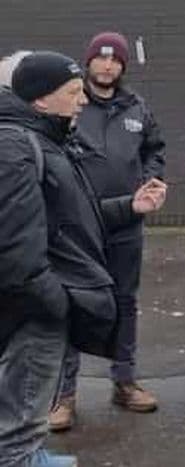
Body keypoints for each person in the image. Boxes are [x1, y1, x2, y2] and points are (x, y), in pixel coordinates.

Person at [0, 51, 166, 467]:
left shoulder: (45, 139)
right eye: (73, 92)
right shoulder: (16, 147)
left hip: (45, 305)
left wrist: (131, 205)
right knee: (18, 417)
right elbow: (15, 250)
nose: (82, 101)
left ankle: (32, 453)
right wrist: (56, 303)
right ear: (40, 100)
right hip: (35, 311)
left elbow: (72, 217)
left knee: (29, 405)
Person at [51, 32, 166, 430]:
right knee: (72, 304)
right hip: (78, 227)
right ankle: (64, 396)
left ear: (122, 66)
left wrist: (150, 180)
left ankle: (124, 381)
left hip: (126, 224)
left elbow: (155, 148)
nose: (107, 66)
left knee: (124, 302)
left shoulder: (136, 107)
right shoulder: (71, 103)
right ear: (88, 64)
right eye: (100, 60)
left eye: (115, 60)